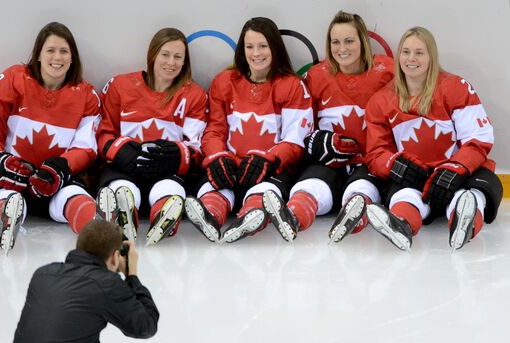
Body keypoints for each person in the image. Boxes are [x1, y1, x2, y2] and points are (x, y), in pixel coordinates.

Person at [364, 26, 503, 251]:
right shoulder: (381, 100)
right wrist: (394, 165)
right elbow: (376, 152)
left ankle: (464, 220)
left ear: (431, 56)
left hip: (457, 174)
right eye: (406, 52)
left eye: (419, 52)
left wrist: (456, 168)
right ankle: (401, 225)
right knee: (403, 194)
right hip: (417, 177)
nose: (411, 58)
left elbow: (478, 139)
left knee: (475, 191)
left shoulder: (455, 88)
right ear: (398, 56)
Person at [261, 11, 394, 242]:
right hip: (330, 161)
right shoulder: (317, 76)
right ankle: (292, 218)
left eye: (349, 41)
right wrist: (315, 142)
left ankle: (354, 217)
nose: (342, 48)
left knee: (361, 190)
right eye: (335, 42)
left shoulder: (389, 72)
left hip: (369, 160)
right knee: (310, 186)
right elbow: (302, 124)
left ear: (363, 41)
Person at [0, 22, 102, 254]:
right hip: (8, 177)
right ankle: (2, 216)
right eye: (50, 50)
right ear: (38, 55)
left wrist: (62, 166)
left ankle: (90, 222)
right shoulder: (11, 80)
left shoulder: (87, 96)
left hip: (51, 182)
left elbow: (86, 148)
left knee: (73, 192)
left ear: (72, 58)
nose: (57, 57)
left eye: (64, 51)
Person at [184, 17, 313, 243]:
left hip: (270, 166)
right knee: (215, 184)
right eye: (249, 46)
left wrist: (270, 159)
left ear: (275, 47)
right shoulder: (224, 81)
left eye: (263, 46)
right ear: (242, 50)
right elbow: (214, 130)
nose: (256, 53)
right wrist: (217, 157)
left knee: (264, 191)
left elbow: (295, 139)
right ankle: (211, 216)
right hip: (233, 161)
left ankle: (249, 218)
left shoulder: (291, 85)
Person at [96, 27, 207, 244]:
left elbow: (196, 149)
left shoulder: (194, 95)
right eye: (165, 54)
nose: (171, 62)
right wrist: (120, 151)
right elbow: (103, 132)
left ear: (185, 62)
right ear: (153, 54)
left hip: (165, 171)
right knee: (122, 187)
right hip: (124, 168)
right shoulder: (121, 85)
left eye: (178, 57)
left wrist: (178, 155)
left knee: (170, 189)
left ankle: (164, 214)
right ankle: (123, 212)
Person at [10, 219, 159, 343]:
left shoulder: (43, 274)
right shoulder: (105, 283)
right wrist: (132, 276)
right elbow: (145, 326)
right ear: (115, 256)